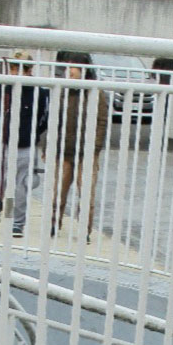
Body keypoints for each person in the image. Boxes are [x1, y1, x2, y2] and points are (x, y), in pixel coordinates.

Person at [0, 49, 48, 239]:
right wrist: (2, 130)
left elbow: (43, 118)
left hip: (26, 146)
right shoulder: (1, 88)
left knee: (21, 187)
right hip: (2, 143)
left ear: (29, 70)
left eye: (19, 68)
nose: (15, 72)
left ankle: (16, 223)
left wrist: (29, 134)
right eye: (13, 68)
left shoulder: (40, 92)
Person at [50, 50, 109, 241]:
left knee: (86, 195)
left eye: (74, 66)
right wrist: (48, 146)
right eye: (68, 66)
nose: (70, 70)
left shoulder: (95, 91)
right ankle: (53, 224)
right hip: (63, 150)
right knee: (58, 192)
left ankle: (85, 231)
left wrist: (95, 148)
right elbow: (53, 119)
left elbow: (102, 121)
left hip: (87, 153)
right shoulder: (62, 90)